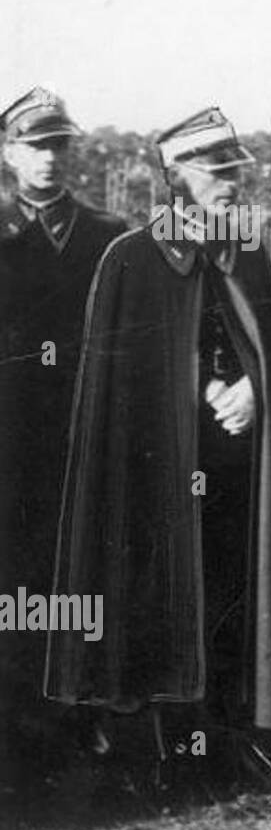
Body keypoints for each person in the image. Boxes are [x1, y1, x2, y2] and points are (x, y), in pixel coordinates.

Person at [44, 108, 271, 792]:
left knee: (229, 592)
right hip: (157, 472)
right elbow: (119, 375)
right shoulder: (130, 256)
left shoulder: (245, 252)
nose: (230, 184)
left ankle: (229, 738)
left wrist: (255, 387)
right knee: (159, 601)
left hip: (235, 463)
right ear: (176, 177)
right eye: (215, 172)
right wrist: (203, 385)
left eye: (233, 171)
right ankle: (161, 750)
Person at [0, 88, 125, 793]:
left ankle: (83, 717)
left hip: (84, 433)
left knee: (80, 576)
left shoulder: (106, 232)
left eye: (58, 145)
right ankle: (18, 725)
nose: (48, 159)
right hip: (11, 439)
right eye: (33, 145)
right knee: (15, 583)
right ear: (8, 152)